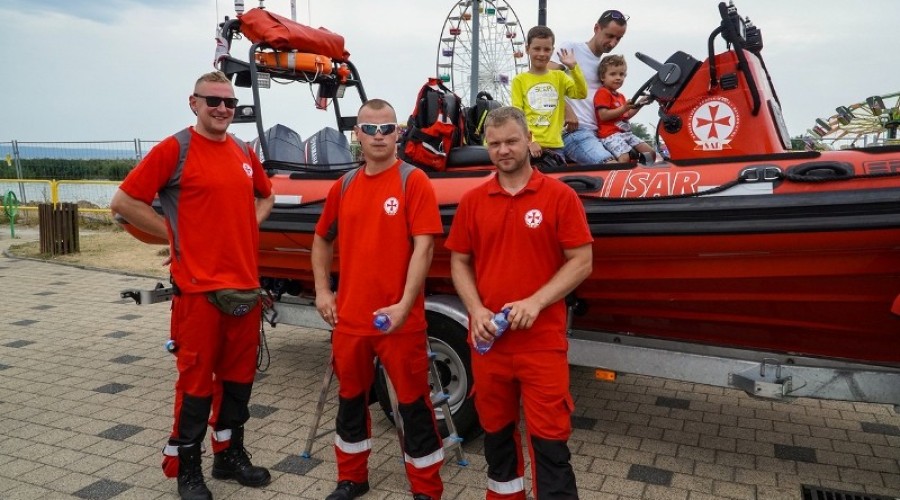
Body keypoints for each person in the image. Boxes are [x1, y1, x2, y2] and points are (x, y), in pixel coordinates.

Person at [110, 71, 275, 500]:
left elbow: (266, 195)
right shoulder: (176, 149)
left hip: (244, 288)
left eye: (229, 103)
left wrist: (247, 227)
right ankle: (188, 470)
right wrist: (176, 236)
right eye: (213, 101)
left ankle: (229, 455)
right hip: (198, 293)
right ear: (194, 103)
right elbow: (123, 203)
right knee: (196, 386)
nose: (222, 109)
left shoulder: (242, 151)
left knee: (239, 383)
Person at [445, 106, 593, 500]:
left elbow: (582, 261)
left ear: (530, 140)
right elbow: (458, 261)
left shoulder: (559, 197)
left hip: (541, 343)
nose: (503, 150)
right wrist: (475, 309)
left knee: (550, 445)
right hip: (490, 344)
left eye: (511, 141)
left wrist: (536, 301)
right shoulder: (474, 201)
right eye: (494, 144)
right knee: (497, 441)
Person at [311, 99, 445, 500]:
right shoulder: (346, 185)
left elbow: (424, 248)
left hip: (400, 321)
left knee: (414, 405)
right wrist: (322, 290)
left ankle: (426, 488)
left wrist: (405, 305)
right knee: (350, 401)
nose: (378, 136)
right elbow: (321, 239)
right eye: (369, 129)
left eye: (387, 128)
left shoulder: (413, 181)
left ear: (399, 132)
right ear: (357, 134)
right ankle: (352, 478)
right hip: (351, 319)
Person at [549, 9, 629, 164]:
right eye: (610, 36)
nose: (613, 43)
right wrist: (567, 109)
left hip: (599, 133)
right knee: (610, 166)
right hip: (575, 131)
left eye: (618, 39)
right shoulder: (571, 49)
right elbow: (544, 81)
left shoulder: (605, 68)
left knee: (634, 158)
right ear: (596, 28)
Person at [511, 25, 587, 161]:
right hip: (529, 147)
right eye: (536, 48)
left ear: (552, 51)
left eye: (546, 49)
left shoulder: (559, 77)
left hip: (555, 147)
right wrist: (531, 141)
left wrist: (573, 68)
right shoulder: (519, 80)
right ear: (527, 49)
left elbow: (581, 93)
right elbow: (517, 115)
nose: (542, 53)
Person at [594, 55, 655, 163]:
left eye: (621, 74)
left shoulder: (620, 96)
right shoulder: (603, 92)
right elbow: (603, 115)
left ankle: (642, 174)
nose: (618, 77)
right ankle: (618, 178)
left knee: (650, 152)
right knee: (624, 158)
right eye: (613, 74)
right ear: (603, 77)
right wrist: (623, 108)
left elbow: (627, 114)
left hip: (625, 133)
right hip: (610, 135)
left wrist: (640, 103)